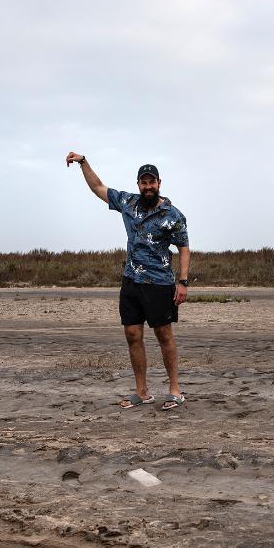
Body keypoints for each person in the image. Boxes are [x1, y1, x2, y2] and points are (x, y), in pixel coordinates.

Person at [66, 151, 190, 410]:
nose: (148, 187)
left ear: (159, 183)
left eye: (152, 182)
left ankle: (175, 390)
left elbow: (184, 248)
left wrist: (183, 281)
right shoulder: (127, 203)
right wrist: (83, 162)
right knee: (133, 334)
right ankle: (142, 391)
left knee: (164, 334)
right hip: (131, 281)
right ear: (138, 185)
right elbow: (99, 188)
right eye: (144, 182)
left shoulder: (173, 214)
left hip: (159, 283)